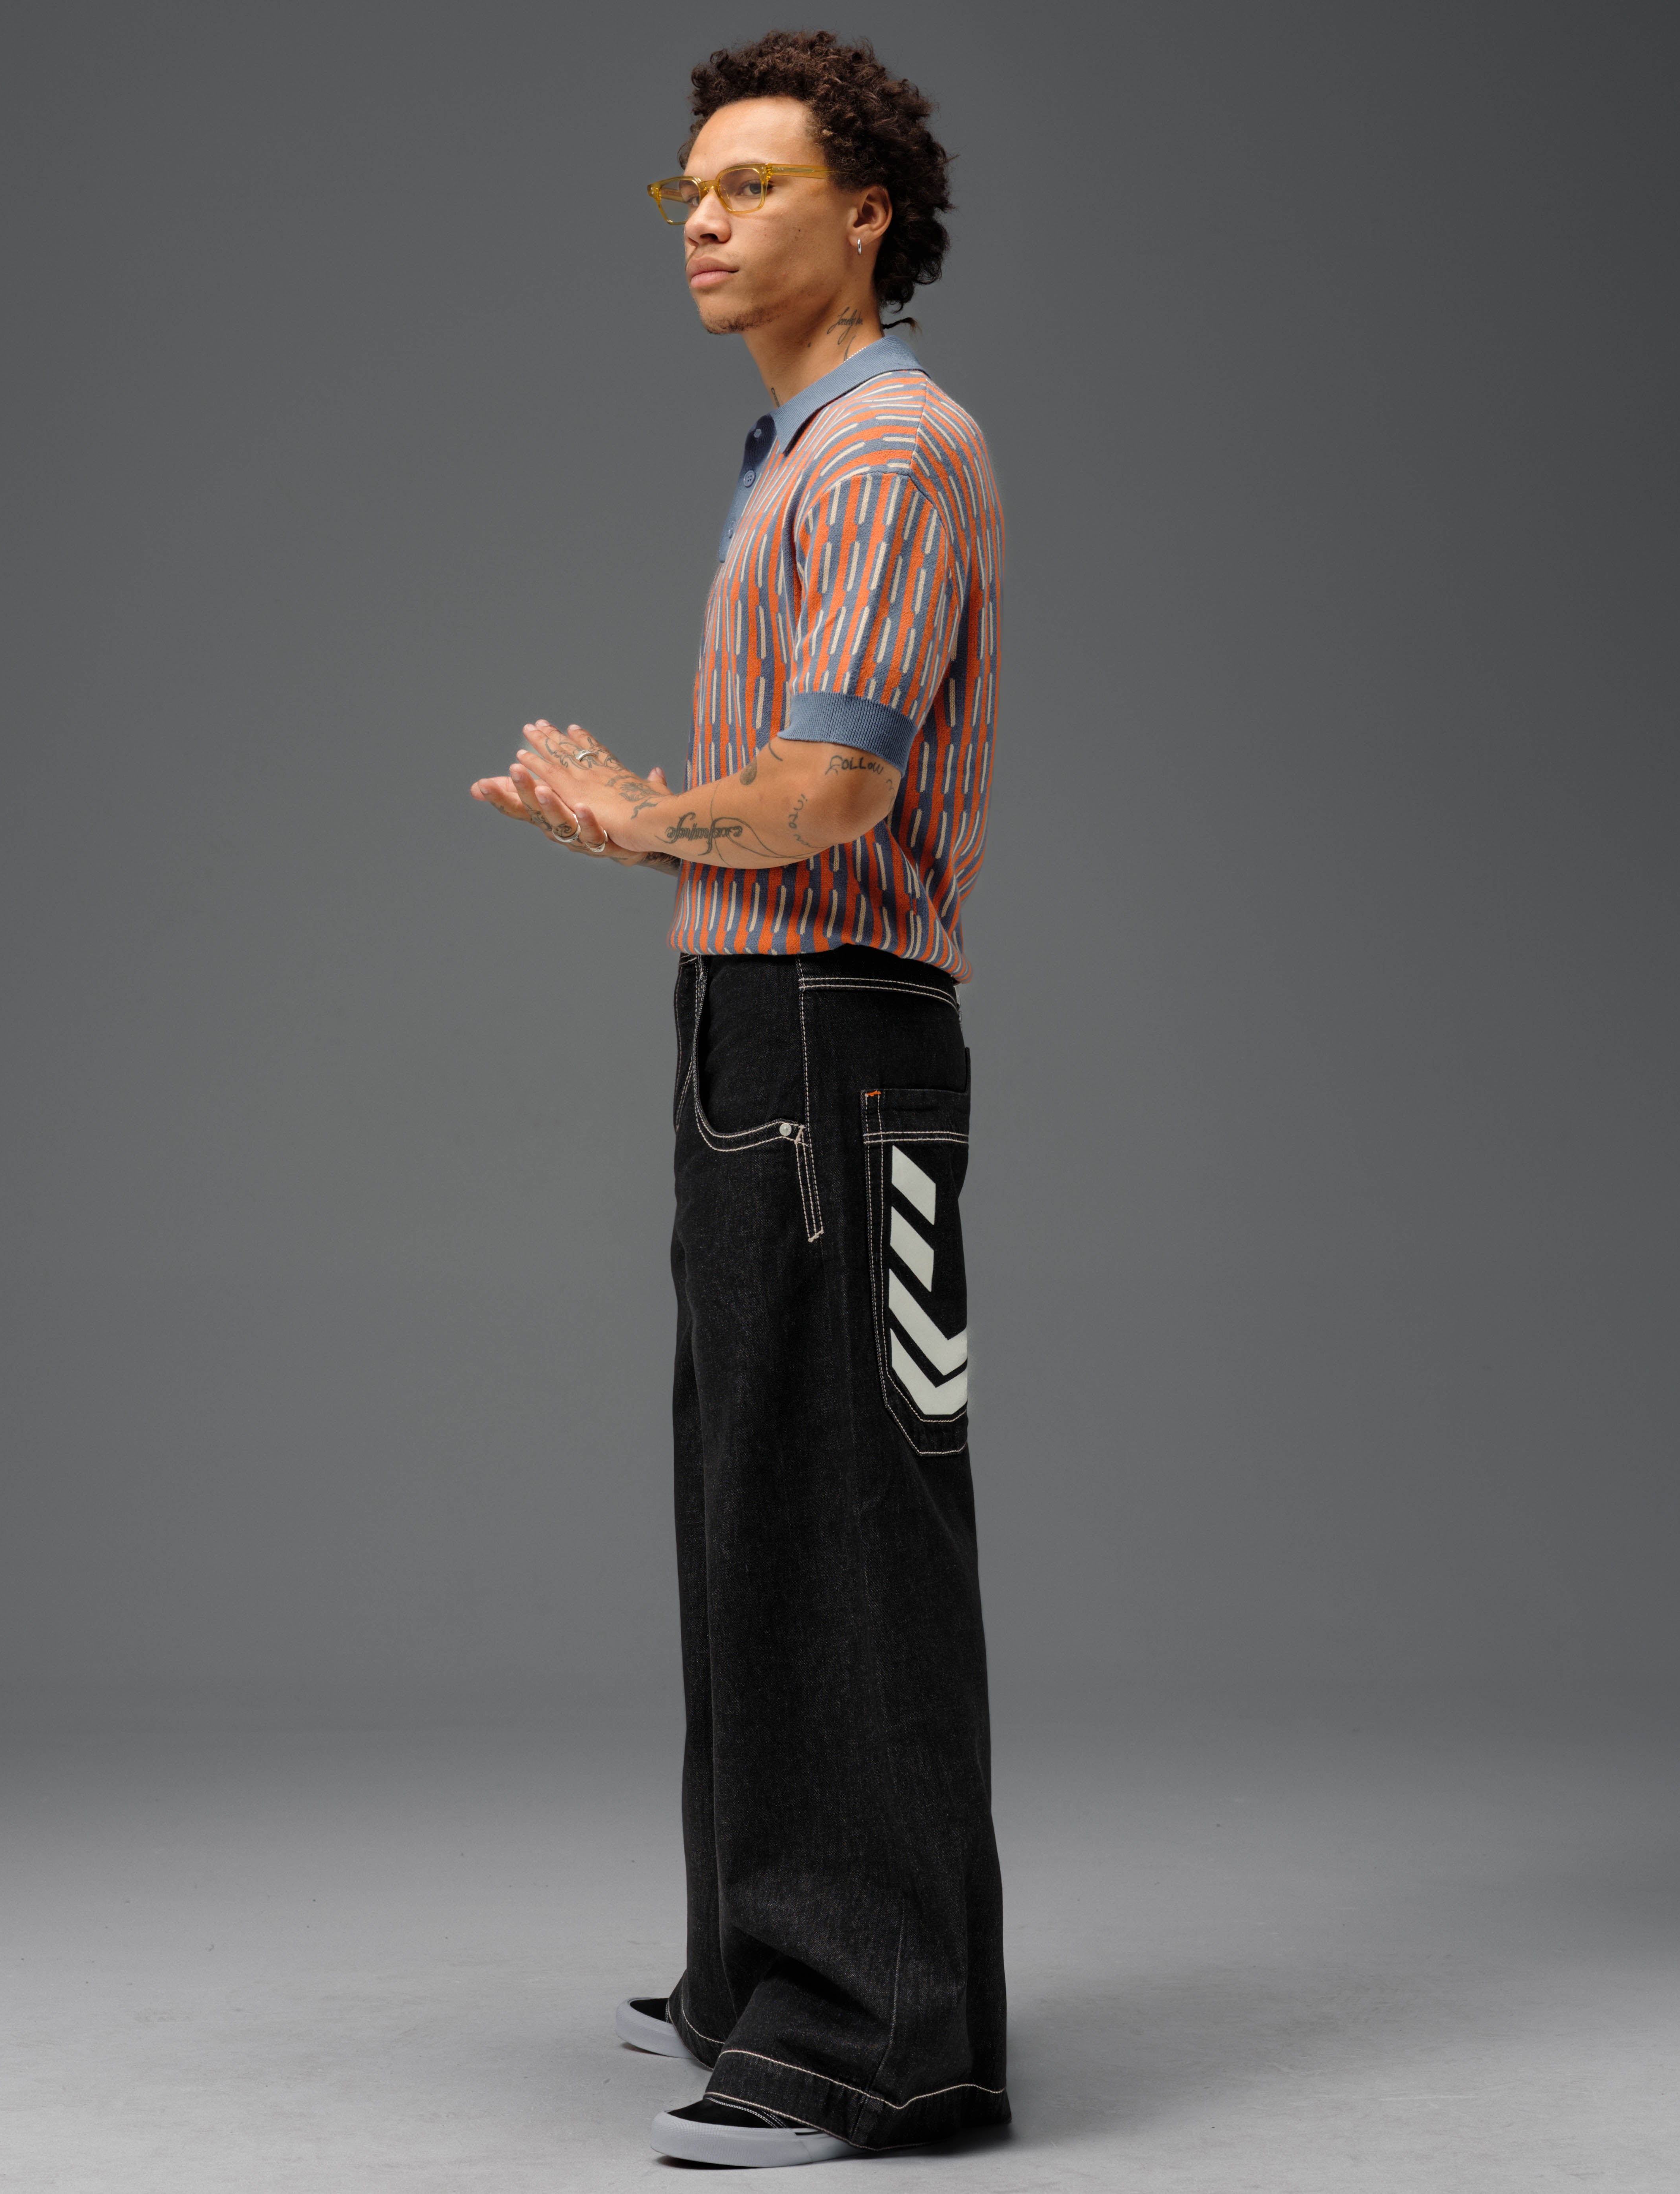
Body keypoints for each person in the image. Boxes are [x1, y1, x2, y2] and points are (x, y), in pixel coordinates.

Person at [471, 29, 1008, 2168]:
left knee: (844, 1522)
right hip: (762, 1033)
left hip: (833, 1042)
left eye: (750, 187)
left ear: (863, 217)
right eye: (684, 190)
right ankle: (754, 1974)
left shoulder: (880, 453)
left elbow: (832, 793)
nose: (700, 221)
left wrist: (636, 818)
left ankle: (881, 2042)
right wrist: (656, 837)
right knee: (756, 1504)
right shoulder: (799, 447)